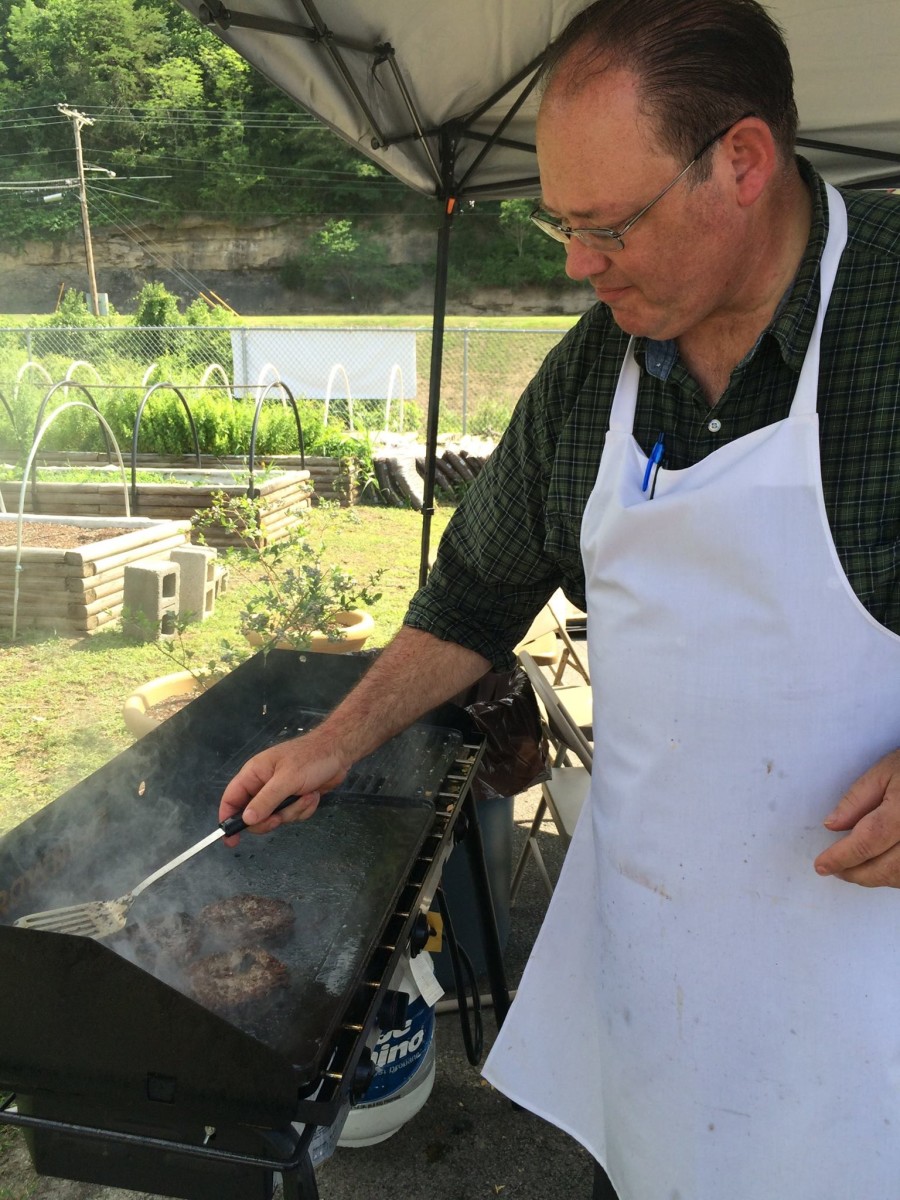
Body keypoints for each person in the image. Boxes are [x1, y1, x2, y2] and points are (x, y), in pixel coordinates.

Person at [220, 1, 900, 1196]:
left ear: (742, 162)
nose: (578, 264)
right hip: (663, 973)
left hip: (868, 1004)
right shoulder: (598, 368)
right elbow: (473, 598)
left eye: (608, 224)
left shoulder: (889, 325)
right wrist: (334, 743)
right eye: (560, 223)